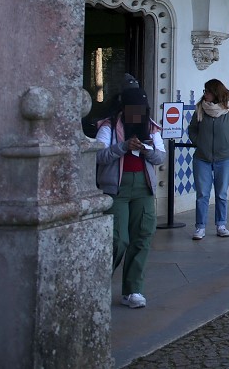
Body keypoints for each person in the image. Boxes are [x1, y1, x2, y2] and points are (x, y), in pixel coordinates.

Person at [95, 74, 166, 309]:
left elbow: (160, 156)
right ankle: (96, 283)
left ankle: (133, 290)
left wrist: (145, 150)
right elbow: (99, 156)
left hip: (143, 187)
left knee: (142, 237)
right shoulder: (108, 126)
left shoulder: (151, 126)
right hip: (116, 188)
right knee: (118, 239)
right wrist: (123, 147)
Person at [188, 79, 229, 239]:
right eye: (204, 91)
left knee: (221, 193)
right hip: (202, 158)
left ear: (215, 93)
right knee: (202, 194)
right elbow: (192, 129)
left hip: (225, 158)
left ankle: (221, 224)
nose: (204, 94)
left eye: (207, 91)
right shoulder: (200, 109)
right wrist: (198, 141)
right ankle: (200, 227)